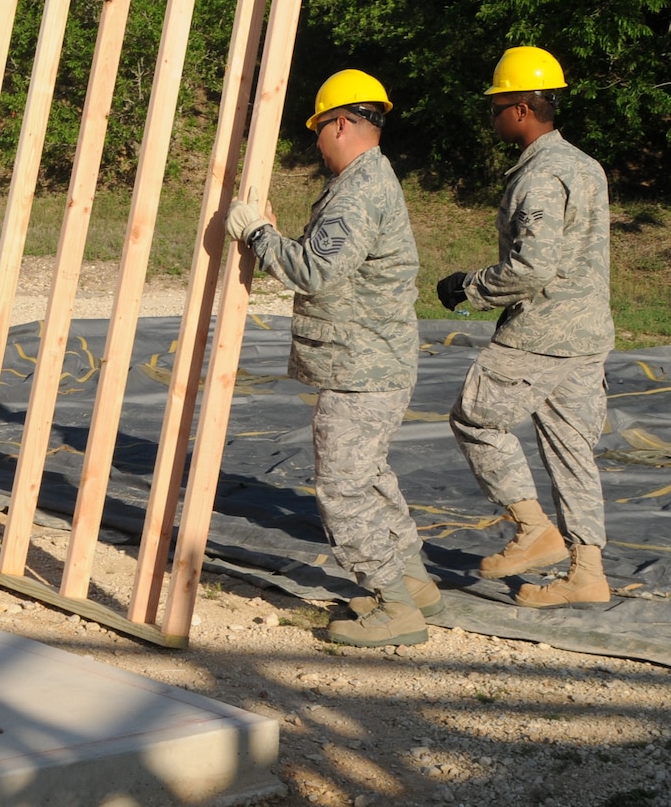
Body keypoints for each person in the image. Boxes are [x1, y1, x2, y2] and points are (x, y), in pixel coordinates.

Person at [227, 69, 435, 648]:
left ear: (341, 123)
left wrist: (257, 236)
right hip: (373, 361)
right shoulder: (368, 180)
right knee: (369, 477)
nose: (316, 141)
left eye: (319, 129)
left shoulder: (360, 189)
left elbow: (316, 271)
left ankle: (395, 608)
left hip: (361, 367)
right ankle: (413, 583)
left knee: (343, 486)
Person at [438, 46, 614, 609]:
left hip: (542, 334)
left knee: (474, 416)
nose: (491, 115)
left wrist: (469, 288)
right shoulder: (586, 165)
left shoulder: (540, 176)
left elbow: (533, 267)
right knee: (572, 451)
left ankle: (533, 527)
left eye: (496, 104)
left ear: (520, 107)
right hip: (589, 334)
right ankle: (588, 571)